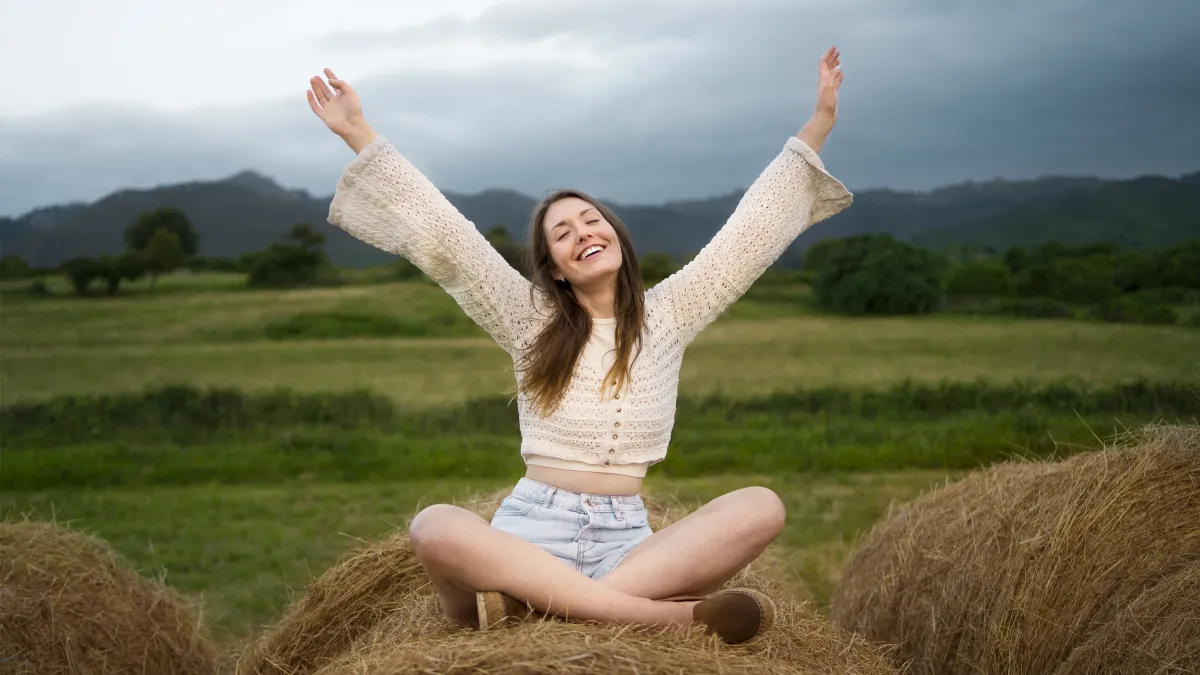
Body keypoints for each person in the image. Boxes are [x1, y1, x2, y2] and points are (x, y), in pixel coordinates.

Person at [306, 46, 853, 644]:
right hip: (528, 537)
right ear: (557, 269)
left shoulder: (668, 314)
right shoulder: (529, 318)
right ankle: (666, 619)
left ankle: (536, 612)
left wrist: (819, 122)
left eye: (591, 220)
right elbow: (446, 239)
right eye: (562, 233)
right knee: (435, 525)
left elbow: (750, 234)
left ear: (615, 236)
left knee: (762, 506)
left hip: (627, 547)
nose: (583, 233)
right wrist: (358, 131)